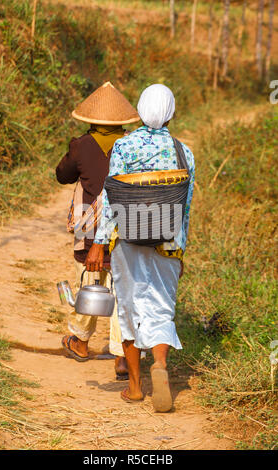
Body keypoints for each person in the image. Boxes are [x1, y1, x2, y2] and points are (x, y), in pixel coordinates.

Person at [85, 84, 195, 411]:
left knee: (129, 308)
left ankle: (135, 387)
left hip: (127, 238)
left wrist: (99, 244)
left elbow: (110, 198)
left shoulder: (124, 146)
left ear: (140, 109)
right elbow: (184, 206)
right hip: (167, 238)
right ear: (172, 111)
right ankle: (159, 366)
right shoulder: (183, 151)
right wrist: (179, 250)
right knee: (161, 305)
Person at [56, 81, 140, 379]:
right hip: (126, 226)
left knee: (93, 282)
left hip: (91, 229)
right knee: (122, 289)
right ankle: (121, 355)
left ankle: (80, 340)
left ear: (91, 119)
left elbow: (63, 175)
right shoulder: (132, 145)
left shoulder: (81, 145)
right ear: (121, 122)